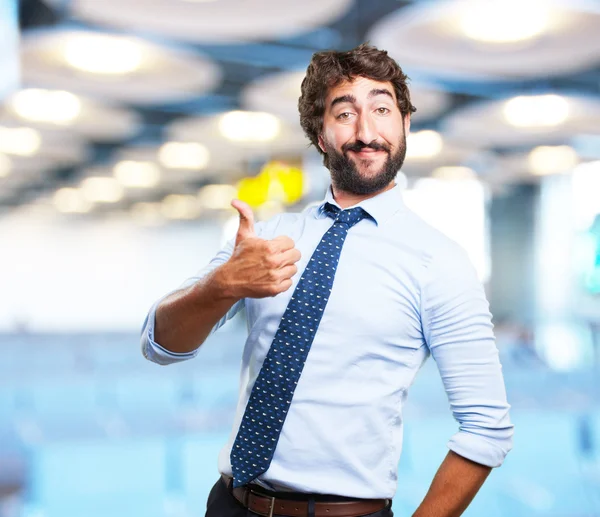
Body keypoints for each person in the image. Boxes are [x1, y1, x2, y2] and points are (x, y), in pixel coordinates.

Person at [141, 44, 514, 517]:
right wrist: (221, 286)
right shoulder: (266, 236)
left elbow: (488, 427)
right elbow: (159, 344)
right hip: (231, 504)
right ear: (320, 135)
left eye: (382, 109)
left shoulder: (439, 261)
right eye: (344, 113)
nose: (365, 131)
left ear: (405, 126)